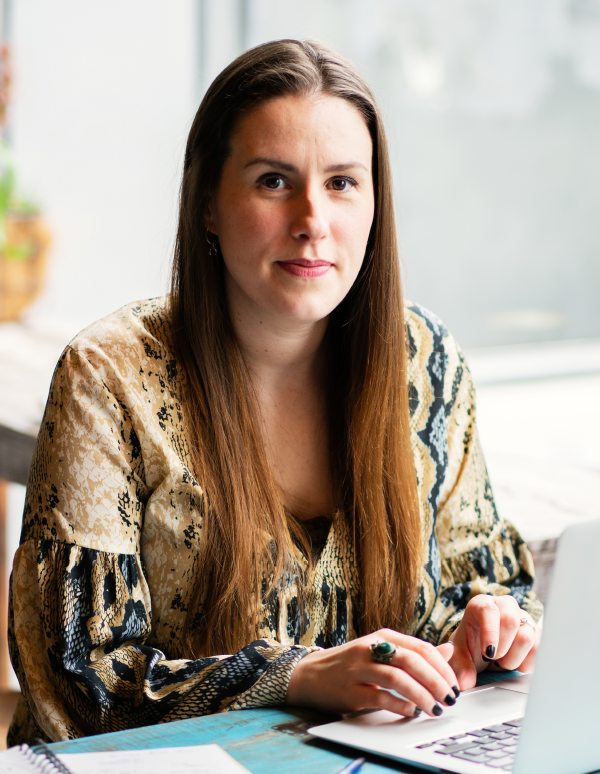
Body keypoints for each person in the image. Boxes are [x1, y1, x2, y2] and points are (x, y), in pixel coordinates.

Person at [7, 39, 542, 745]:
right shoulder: (107, 378)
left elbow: (483, 583)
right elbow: (77, 683)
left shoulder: (428, 363)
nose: (313, 220)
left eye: (343, 183)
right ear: (207, 204)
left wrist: (494, 624)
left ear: (376, 204)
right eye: (272, 181)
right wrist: (295, 675)